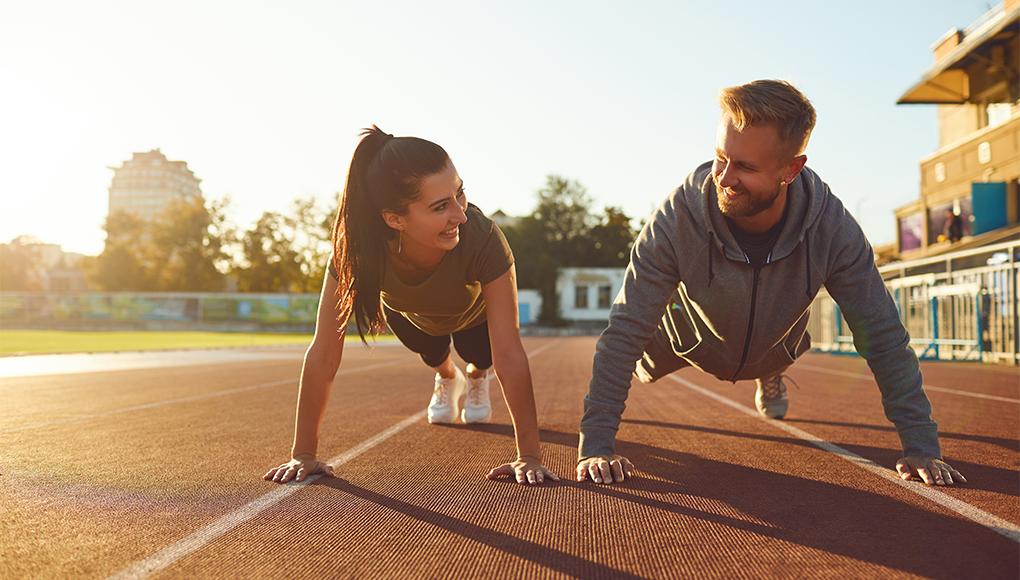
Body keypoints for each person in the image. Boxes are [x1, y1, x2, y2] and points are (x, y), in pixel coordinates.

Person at [576, 80, 966, 488]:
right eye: (720, 157)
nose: (725, 178)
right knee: (634, 346)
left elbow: (882, 334)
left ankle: (769, 372)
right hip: (683, 340)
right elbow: (624, 330)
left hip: (774, 344)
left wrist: (921, 447)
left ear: (791, 170)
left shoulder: (832, 230)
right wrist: (597, 445)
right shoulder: (677, 218)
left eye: (745, 166)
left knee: (778, 345)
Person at [264, 126, 558, 486]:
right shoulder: (356, 252)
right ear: (394, 219)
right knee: (432, 350)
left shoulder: (482, 238)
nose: (460, 215)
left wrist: (528, 456)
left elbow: (510, 351)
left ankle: (476, 377)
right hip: (412, 319)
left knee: (477, 353)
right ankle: (448, 376)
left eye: (459, 193)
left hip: (474, 320)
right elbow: (324, 349)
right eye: (440, 206)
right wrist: (303, 454)